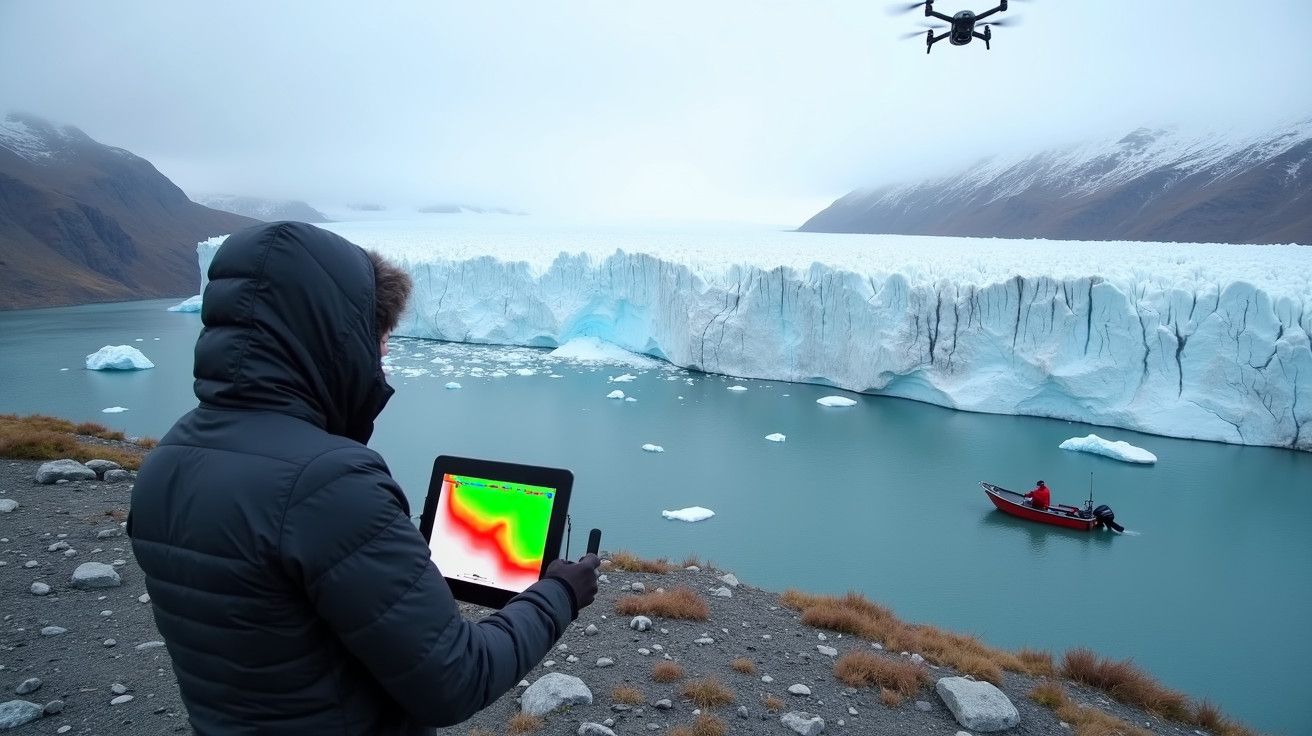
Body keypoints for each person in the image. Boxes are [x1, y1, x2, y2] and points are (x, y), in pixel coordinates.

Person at [127, 222, 600, 734]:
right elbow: (457, 678)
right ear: (335, 336)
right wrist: (560, 593)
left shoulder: (168, 457)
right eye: (378, 333)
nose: (385, 352)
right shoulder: (327, 483)